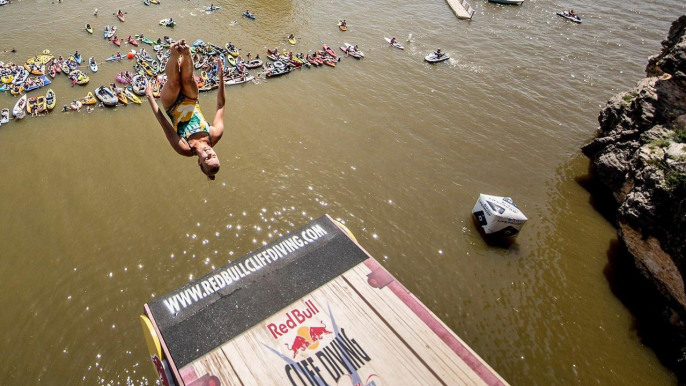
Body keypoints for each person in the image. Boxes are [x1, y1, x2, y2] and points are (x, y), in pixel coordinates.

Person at [146, 39, 225, 180]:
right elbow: (220, 105)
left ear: (199, 162)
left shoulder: (184, 148)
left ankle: (174, 54)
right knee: (188, 79)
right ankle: (186, 53)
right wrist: (221, 78)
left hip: (171, 105)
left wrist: (150, 96)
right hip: (191, 98)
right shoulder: (214, 134)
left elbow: (164, 123)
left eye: (207, 159)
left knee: (175, 83)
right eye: (213, 155)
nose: (208, 153)